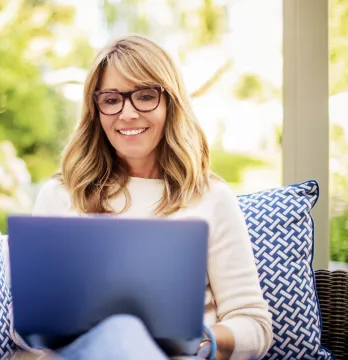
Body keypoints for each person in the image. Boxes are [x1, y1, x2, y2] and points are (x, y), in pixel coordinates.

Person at [24, 35, 273, 360]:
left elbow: (255, 325)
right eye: (111, 100)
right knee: (118, 333)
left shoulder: (212, 199)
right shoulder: (60, 196)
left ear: (170, 103)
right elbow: (25, 321)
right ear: (95, 110)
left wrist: (202, 339)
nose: (127, 114)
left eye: (144, 96)